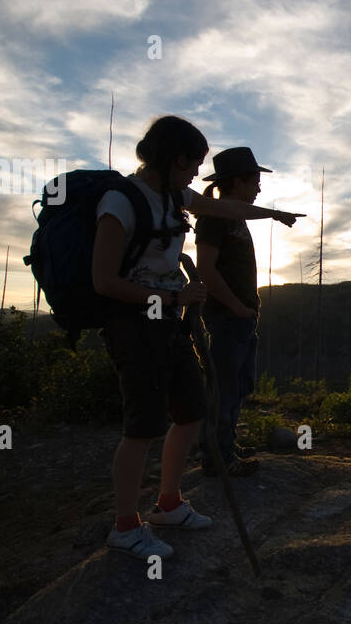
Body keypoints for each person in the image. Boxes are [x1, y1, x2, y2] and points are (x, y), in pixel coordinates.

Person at [91, 116, 299, 560]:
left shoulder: (174, 196)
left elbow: (228, 209)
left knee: (190, 411)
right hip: (133, 323)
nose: (195, 176)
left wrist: (273, 214)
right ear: (176, 158)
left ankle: (168, 504)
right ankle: (125, 526)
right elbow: (103, 280)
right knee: (142, 424)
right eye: (193, 165)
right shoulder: (120, 200)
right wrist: (171, 295)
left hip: (170, 318)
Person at [194, 147, 271, 477]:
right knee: (224, 389)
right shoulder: (214, 217)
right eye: (254, 181)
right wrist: (237, 306)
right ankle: (218, 459)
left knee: (237, 386)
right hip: (227, 318)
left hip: (239, 318)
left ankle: (225, 446)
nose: (258, 188)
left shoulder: (232, 216)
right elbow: (205, 270)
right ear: (237, 182)